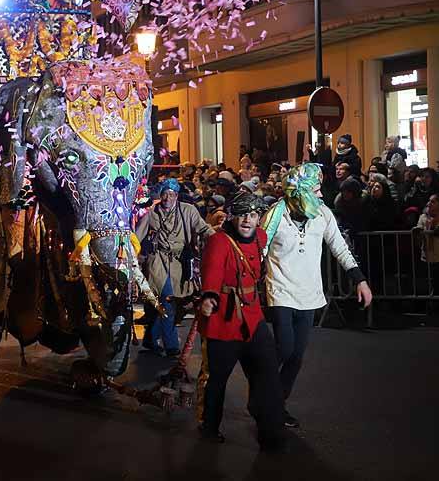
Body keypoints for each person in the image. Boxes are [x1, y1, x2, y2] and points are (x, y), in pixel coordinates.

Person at [261, 162, 373, 428]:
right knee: (284, 349)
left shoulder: (322, 213)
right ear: (299, 190)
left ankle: (276, 403)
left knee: (297, 356)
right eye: (315, 189)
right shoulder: (276, 213)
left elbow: (340, 247)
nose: (321, 195)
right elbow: (259, 250)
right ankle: (265, 392)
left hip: (309, 293)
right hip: (280, 290)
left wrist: (360, 280)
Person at [198, 190, 284, 450]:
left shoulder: (260, 236)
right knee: (218, 379)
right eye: (243, 215)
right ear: (233, 217)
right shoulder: (220, 241)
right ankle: (209, 426)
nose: (248, 220)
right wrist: (209, 296)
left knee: (267, 373)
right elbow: (212, 270)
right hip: (224, 320)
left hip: (253, 319)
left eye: (254, 215)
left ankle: (270, 431)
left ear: (259, 218)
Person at [135, 178, 214, 356]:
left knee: (170, 303)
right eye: (164, 194)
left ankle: (150, 339)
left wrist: (217, 238)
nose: (167, 198)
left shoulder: (188, 210)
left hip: (180, 263)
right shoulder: (152, 213)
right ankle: (171, 346)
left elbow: (203, 228)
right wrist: (130, 254)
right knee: (167, 301)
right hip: (158, 261)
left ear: (177, 195)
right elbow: (137, 237)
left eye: (171, 194)